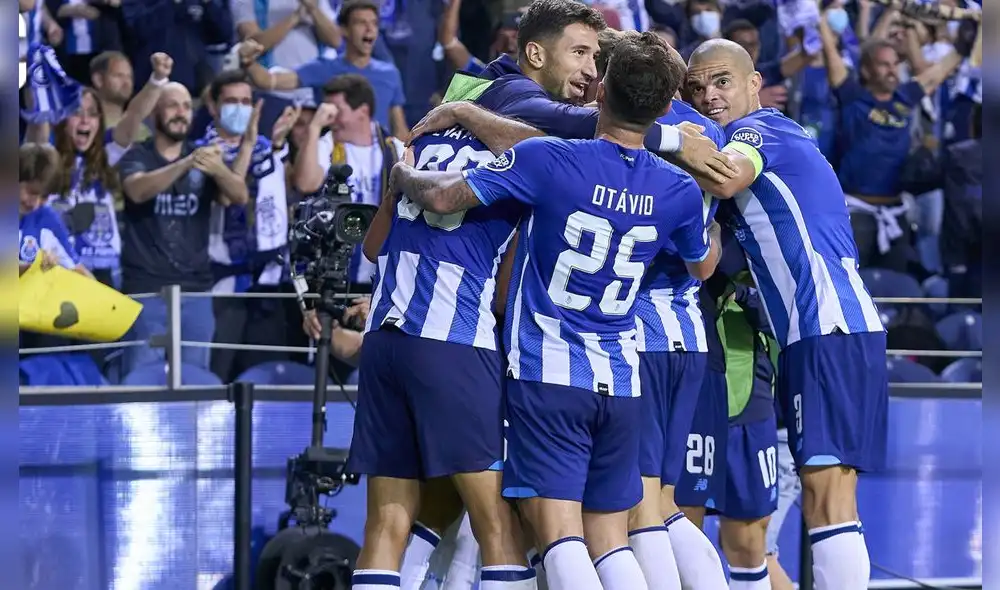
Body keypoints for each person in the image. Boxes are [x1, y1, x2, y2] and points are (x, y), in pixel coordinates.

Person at [393, 32, 721, 590]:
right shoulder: (678, 191)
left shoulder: (548, 161)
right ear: (666, 105)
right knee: (614, 539)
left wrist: (400, 173)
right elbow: (703, 262)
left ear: (601, 90)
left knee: (560, 536)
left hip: (551, 370)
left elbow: (445, 197)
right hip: (621, 377)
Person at [684, 38, 887, 588]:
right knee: (833, 498)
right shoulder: (766, 149)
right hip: (828, 332)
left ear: (755, 85)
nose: (708, 96)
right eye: (696, 87)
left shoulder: (761, 131)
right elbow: (708, 258)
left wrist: (649, 131)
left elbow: (727, 174)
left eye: (722, 81)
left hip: (824, 328)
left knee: (828, 501)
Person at [344, 79, 544, 590]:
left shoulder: (422, 146)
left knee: (386, 523)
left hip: (384, 340)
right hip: (453, 343)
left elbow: (373, 246)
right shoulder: (525, 160)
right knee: (497, 522)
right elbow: (504, 295)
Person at [117, 82, 250, 375]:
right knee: (140, 378)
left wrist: (217, 169)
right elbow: (138, 191)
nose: (181, 113)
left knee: (194, 380)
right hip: (145, 291)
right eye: (173, 105)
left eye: (187, 106)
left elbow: (238, 197)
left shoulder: (204, 157)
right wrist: (184, 164)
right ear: (155, 113)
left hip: (196, 292)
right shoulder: (137, 156)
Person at [199, 70, 295, 382]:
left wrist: (278, 143)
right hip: (225, 284)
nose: (240, 108)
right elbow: (233, 196)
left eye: (245, 101)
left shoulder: (267, 147)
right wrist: (250, 142)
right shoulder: (204, 151)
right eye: (230, 101)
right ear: (213, 107)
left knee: (266, 376)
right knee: (221, 377)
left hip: (268, 281)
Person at [293, 74, 405, 289]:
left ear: (362, 111)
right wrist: (314, 127)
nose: (330, 119)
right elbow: (306, 183)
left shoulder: (395, 150)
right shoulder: (326, 144)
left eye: (336, 111)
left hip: (378, 272)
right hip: (333, 270)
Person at [239, 0, 410, 139]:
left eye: (374, 23)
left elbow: (399, 127)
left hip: (379, 162)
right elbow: (268, 81)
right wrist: (247, 61)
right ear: (344, 30)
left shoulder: (390, 73)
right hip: (335, 157)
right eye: (361, 23)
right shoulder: (324, 68)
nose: (369, 28)